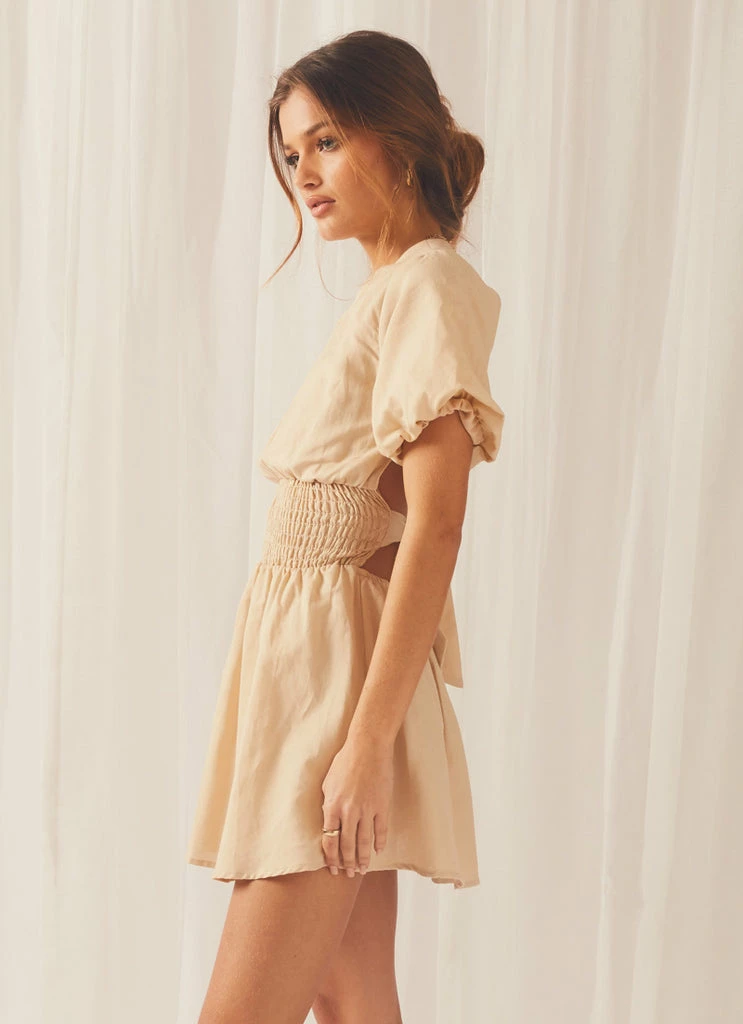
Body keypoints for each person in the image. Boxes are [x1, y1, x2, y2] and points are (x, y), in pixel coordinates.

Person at [188, 28, 506, 1024]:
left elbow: (436, 526)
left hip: (333, 689)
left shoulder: (425, 285)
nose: (303, 173)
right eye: (292, 153)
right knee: (350, 994)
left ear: (397, 136)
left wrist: (364, 746)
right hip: (310, 672)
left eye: (325, 141)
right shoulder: (393, 289)